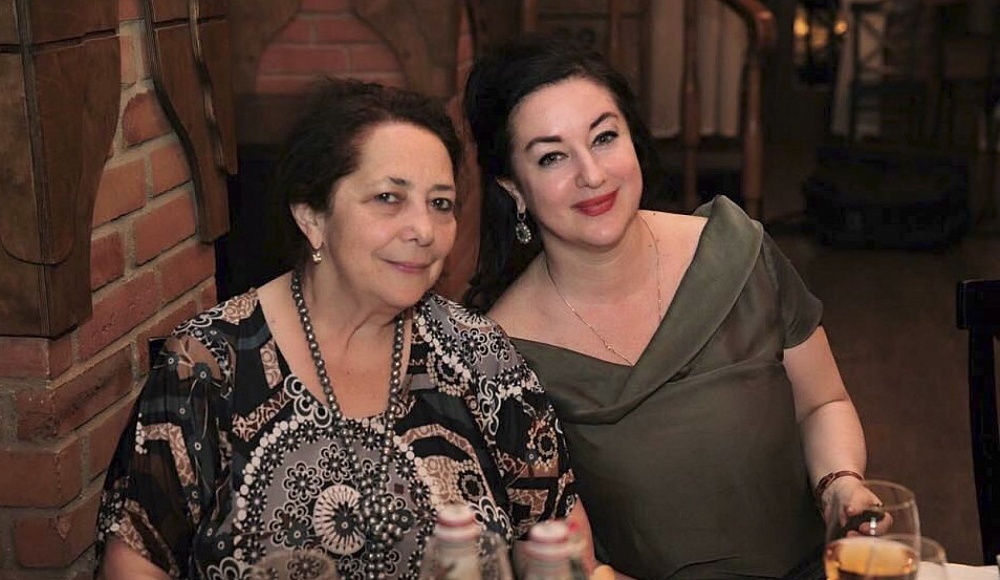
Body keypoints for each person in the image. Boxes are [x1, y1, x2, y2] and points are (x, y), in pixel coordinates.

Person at [95, 78, 590, 580]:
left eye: (440, 203)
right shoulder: (210, 362)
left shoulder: (480, 355)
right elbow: (136, 558)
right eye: (388, 198)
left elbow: (564, 542)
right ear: (312, 217)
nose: (424, 230)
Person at [462, 34, 871, 579]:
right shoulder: (502, 355)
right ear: (514, 188)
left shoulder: (737, 251)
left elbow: (822, 403)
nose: (592, 174)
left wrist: (840, 484)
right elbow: (559, 554)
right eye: (552, 156)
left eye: (604, 137)